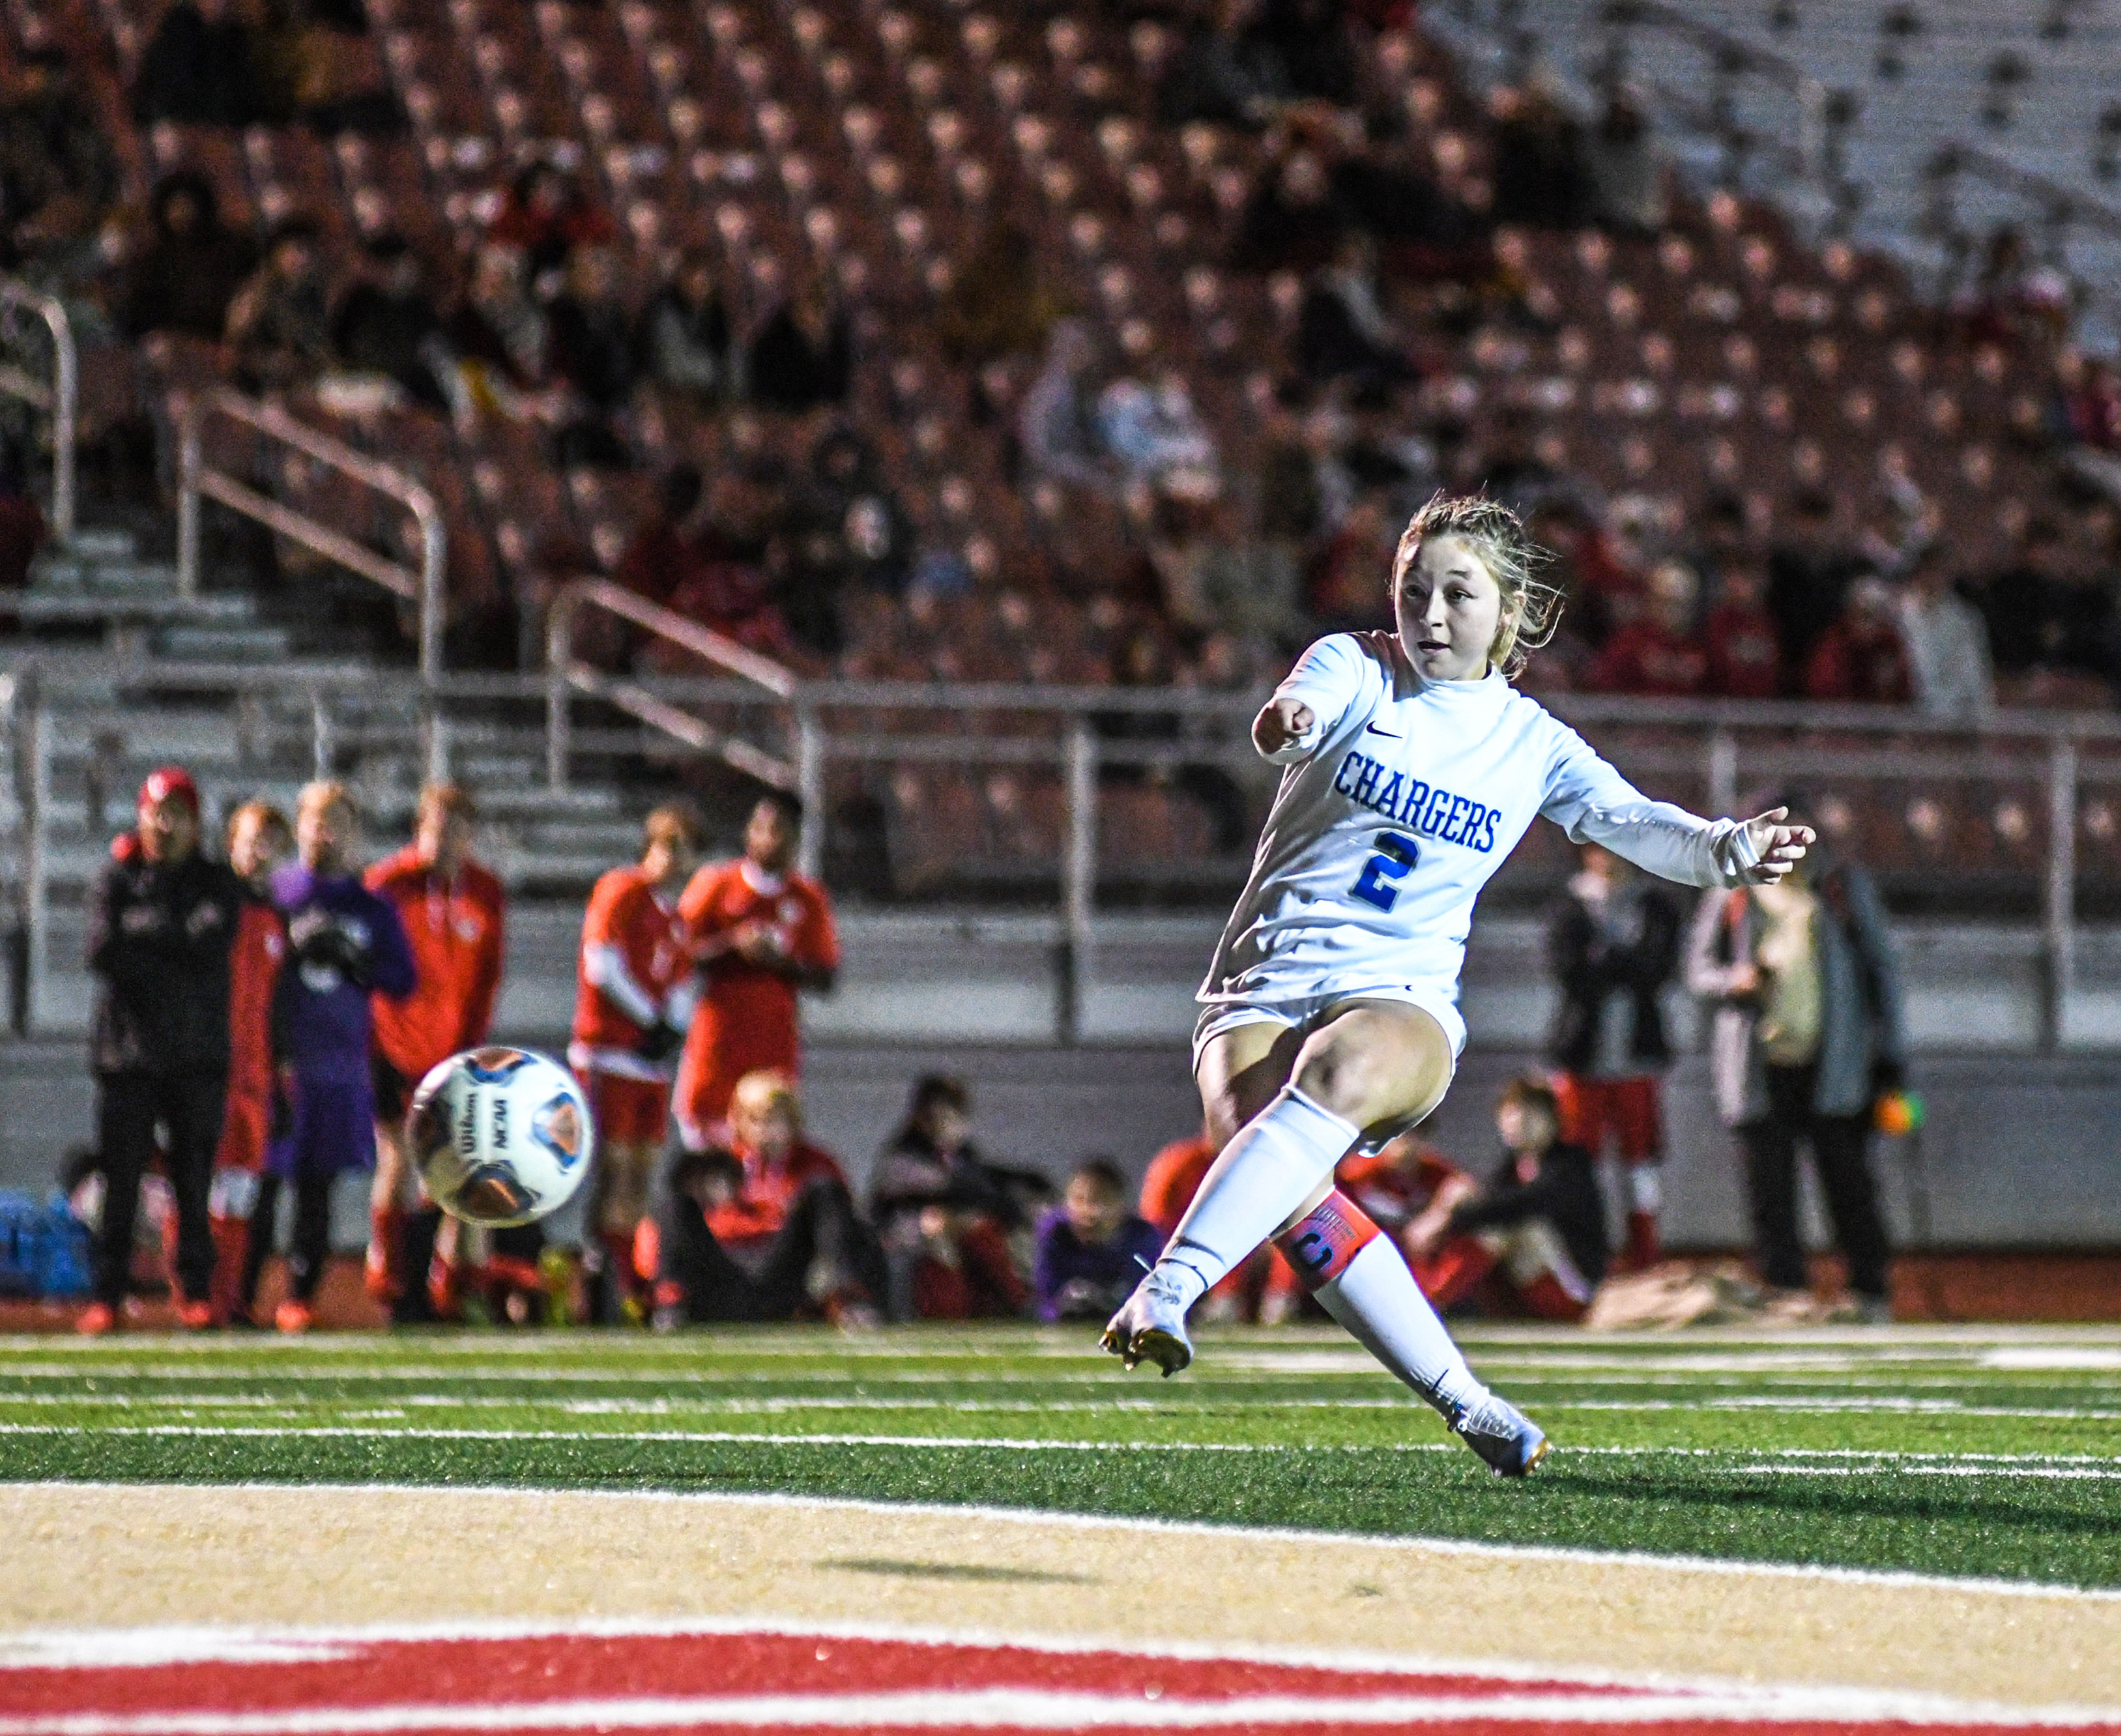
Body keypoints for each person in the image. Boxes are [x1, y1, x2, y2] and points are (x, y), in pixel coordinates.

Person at [1100, 491, 1812, 1478]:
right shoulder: (1357, 666)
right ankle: (1465, 1401)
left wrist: (1729, 849)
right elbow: (1305, 699)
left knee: (1342, 1072)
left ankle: (1169, 1287)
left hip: (1401, 997)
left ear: (1510, 613)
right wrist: (1291, 719)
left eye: (1458, 595)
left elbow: (1641, 825)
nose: (1430, 616)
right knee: (1293, 1197)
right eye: (1414, 591)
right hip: (1262, 985)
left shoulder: (1531, 744)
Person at [1685, 828, 1903, 1320]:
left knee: (1849, 1183)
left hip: (1836, 1067)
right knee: (1770, 1191)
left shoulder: (1840, 889)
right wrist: (1733, 980)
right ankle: (1787, 1292)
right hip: (1759, 1069)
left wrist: (1890, 1052)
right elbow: (1698, 969)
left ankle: (1869, 1290)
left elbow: (1881, 970)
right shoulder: (1734, 891)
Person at [78, 768, 246, 1335]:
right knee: (119, 1181)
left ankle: (196, 1291)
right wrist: (168, 938)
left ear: (197, 823)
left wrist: (142, 934)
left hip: (196, 1056)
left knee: (193, 1181)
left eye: (177, 812)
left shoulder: (216, 881)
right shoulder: (117, 875)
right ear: (141, 814)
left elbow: (208, 947)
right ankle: (107, 1293)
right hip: (127, 1057)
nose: (166, 823)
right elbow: (102, 951)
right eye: (157, 810)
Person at [248, 782, 415, 1334]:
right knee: (263, 1185)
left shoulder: (370, 905)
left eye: (336, 822)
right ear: (298, 829)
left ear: (354, 832)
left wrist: (357, 961)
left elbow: (402, 979)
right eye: (316, 821)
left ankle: (300, 1294)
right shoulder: (279, 890)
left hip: (340, 1064)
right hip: (278, 1060)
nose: (325, 833)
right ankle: (242, 1293)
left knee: (317, 1190)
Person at [362, 785, 506, 1319]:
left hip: (450, 1049)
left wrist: (472, 1046)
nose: (443, 840)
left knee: (445, 1164)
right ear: (419, 828)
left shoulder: (485, 891)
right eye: (435, 828)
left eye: (455, 829)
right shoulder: (389, 884)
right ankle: (391, 1271)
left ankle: (434, 1278)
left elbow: (487, 976)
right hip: (391, 1043)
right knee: (397, 1156)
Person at [570, 802, 706, 1322]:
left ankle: (627, 1281)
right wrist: (651, 1019)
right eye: (667, 845)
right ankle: (605, 1284)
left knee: (641, 1173)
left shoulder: (677, 916)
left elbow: (682, 983)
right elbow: (602, 965)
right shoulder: (622, 890)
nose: (674, 859)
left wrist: (672, 1026)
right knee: (616, 1167)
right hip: (611, 1053)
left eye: (684, 849)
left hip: (648, 1062)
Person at [1547, 840, 1683, 1271]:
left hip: (1637, 1058)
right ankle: (1585, 1251)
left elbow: (1658, 970)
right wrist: (1623, 964)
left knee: (1641, 1159)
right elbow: (1569, 972)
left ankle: (1644, 1252)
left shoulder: (1656, 905)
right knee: (1577, 1160)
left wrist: (1606, 962)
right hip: (1583, 1056)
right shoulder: (1569, 905)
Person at [674, 791, 838, 1146]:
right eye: (758, 826)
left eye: (775, 829)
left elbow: (826, 976)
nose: (764, 837)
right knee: (709, 1158)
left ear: (794, 837)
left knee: (766, 1160)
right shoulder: (716, 883)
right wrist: (733, 945)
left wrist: (780, 961)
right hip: (718, 1047)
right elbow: (678, 954)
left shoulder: (808, 897)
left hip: (773, 1048)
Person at [1406, 1077, 1609, 1322]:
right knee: (1467, 1197)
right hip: (1527, 1291)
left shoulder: (1569, 1164)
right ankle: (1424, 1292)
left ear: (1552, 1119)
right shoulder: (1512, 1168)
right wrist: (1440, 1211)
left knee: (1513, 1228)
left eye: (1530, 1112)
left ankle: (1431, 1300)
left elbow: (1522, 1205)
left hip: (1573, 1290)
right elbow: (1487, 1202)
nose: (1518, 1122)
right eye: (1510, 1113)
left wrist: (1449, 1220)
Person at [647, 1137, 883, 1327]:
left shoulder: (812, 1161)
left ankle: (847, 1298)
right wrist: (719, 1206)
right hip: (720, 1276)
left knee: (825, 1188)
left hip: (780, 1272)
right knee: (675, 1203)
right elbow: (656, 1241)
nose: (770, 1130)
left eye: (778, 1119)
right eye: (759, 1120)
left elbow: (841, 1216)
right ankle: (670, 1302)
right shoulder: (714, 1160)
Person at [869, 1074, 1046, 1321]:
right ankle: (1014, 1299)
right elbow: (950, 1191)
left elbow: (986, 1187)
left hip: (956, 1237)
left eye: (950, 1111)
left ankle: (1009, 1300)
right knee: (944, 1222)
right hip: (905, 1235)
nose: (943, 1120)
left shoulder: (960, 1155)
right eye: (936, 1111)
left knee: (983, 1229)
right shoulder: (903, 1155)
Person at [212, 800, 291, 1326]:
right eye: (251, 839)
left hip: (256, 1074)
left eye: (271, 843)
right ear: (230, 843)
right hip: (211, 1065)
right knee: (205, 1187)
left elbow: (276, 1002)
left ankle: (235, 1298)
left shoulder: (276, 915)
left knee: (244, 1188)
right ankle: (204, 1296)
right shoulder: (214, 903)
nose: (260, 852)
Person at [119, 172, 255, 343]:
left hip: (230, 340)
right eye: (174, 206)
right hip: (176, 347)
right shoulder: (153, 262)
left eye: (187, 205)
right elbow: (140, 317)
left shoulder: (235, 247)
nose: (181, 213)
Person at [1034, 1158, 1164, 1322]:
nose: (1089, 1211)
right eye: (1079, 1200)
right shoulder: (1055, 1233)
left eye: (1102, 1199)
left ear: (1121, 1204)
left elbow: (1154, 1297)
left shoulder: (1143, 1236)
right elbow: (1046, 1298)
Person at [225, 217, 333, 397]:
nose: (299, 258)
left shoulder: (319, 293)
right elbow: (237, 345)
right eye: (291, 250)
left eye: (305, 251)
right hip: (261, 384)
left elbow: (322, 350)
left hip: (310, 383)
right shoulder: (257, 293)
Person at [1895, 545, 1994, 722]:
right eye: (1929, 570)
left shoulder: (1965, 618)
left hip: (1953, 719)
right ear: (1918, 571)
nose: (1935, 577)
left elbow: (1974, 674)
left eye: (1941, 571)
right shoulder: (1896, 615)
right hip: (1906, 716)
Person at [1804, 573, 1913, 705]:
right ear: (1851, 612)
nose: (1871, 625)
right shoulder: (1835, 641)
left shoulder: (1889, 643)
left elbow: (1905, 691)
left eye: (1878, 617)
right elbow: (1822, 690)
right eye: (1865, 616)